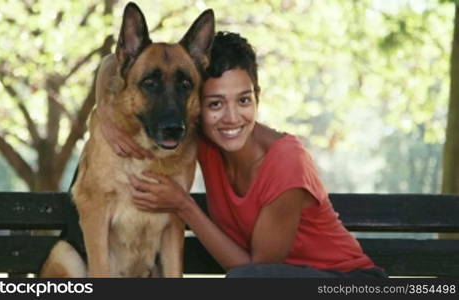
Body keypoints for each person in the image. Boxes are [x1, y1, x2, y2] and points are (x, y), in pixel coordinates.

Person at [99, 31, 387, 278]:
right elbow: (115, 61)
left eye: (244, 100)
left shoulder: (287, 162)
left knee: (247, 279)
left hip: (350, 282)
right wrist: (103, 115)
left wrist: (184, 206)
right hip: (282, 284)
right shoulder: (206, 137)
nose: (231, 118)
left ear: (258, 95)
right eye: (215, 104)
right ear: (196, 104)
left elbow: (255, 274)